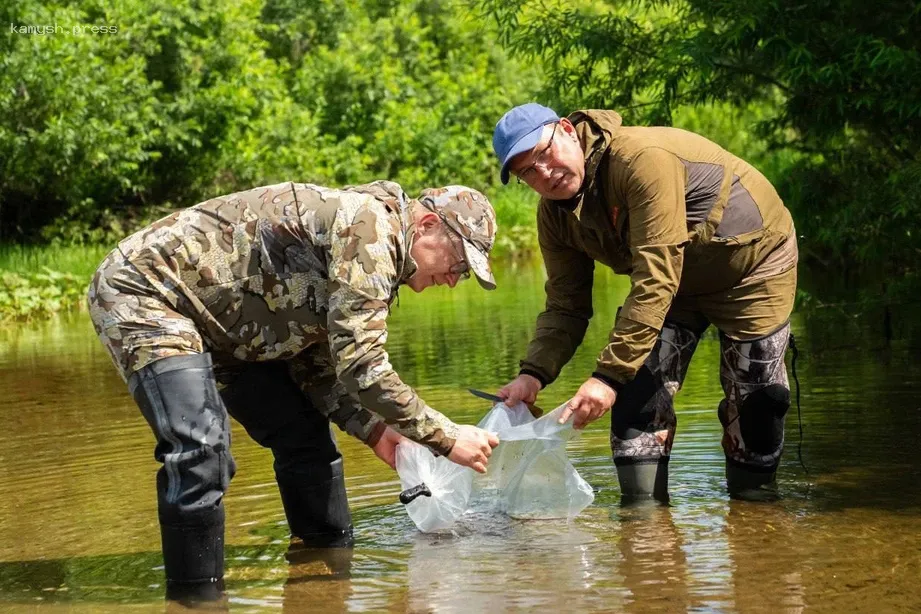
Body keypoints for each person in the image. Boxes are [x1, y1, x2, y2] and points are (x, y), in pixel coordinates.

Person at [87, 180, 500, 600]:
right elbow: (363, 365)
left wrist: (379, 432)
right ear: (427, 224)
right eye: (459, 263)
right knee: (201, 451)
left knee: (305, 436)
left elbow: (318, 365)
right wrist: (447, 437)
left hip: (232, 325)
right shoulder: (372, 230)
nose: (454, 280)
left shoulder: (377, 246)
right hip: (147, 292)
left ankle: (325, 581)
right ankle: (195, 602)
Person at [492, 103, 798, 504]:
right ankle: (644, 530)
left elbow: (656, 276)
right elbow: (566, 303)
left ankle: (757, 520)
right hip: (675, 283)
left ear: (567, 130)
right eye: (527, 172)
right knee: (636, 401)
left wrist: (606, 376)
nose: (544, 173)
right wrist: (533, 374)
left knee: (758, 403)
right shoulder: (555, 216)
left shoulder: (640, 161)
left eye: (544, 154)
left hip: (751, 264)